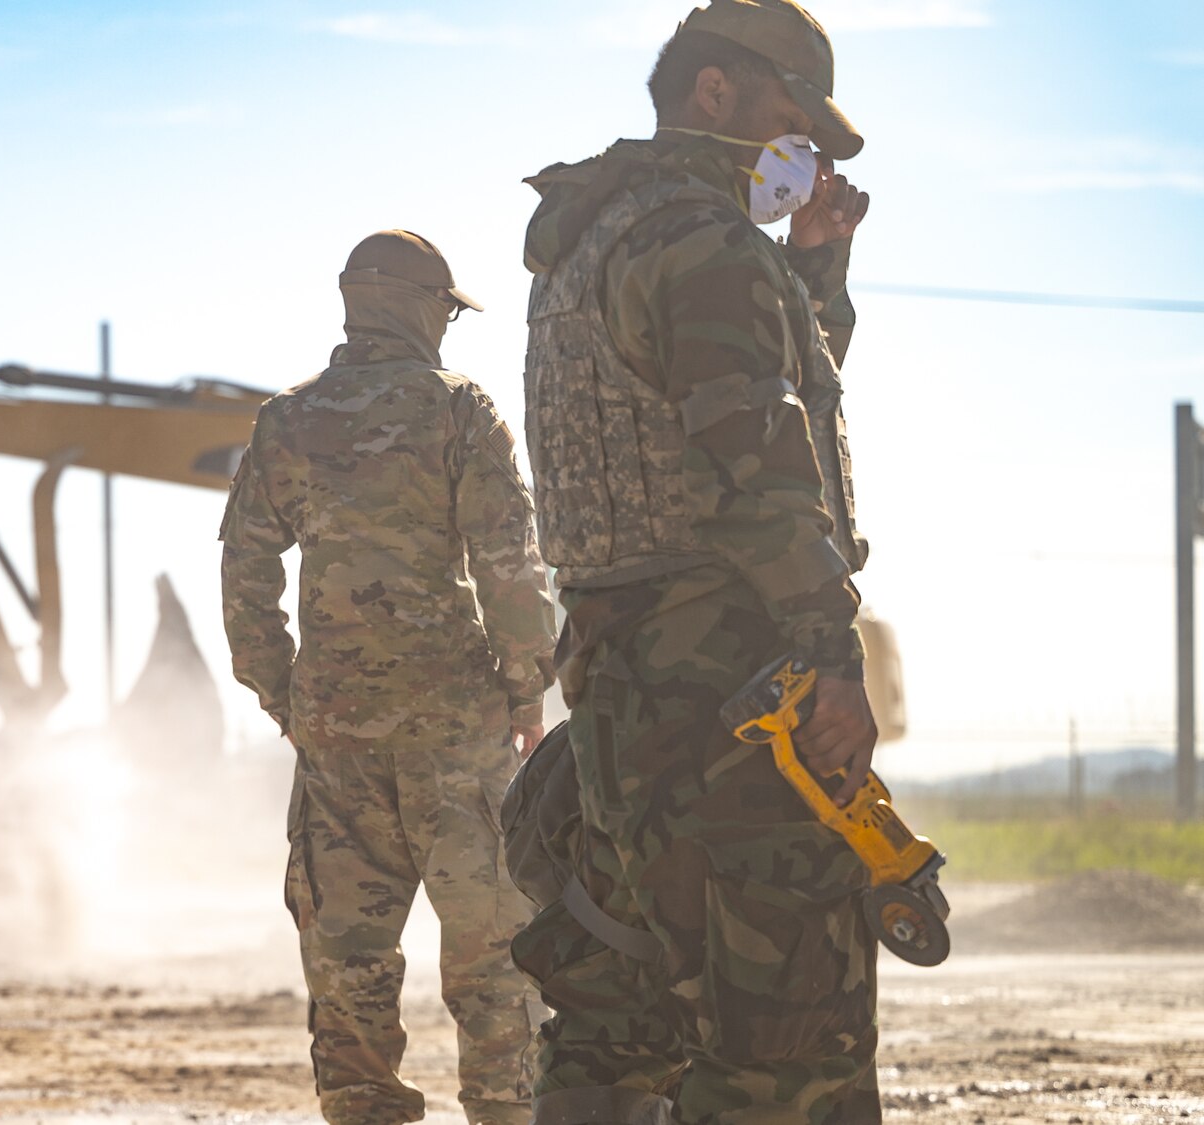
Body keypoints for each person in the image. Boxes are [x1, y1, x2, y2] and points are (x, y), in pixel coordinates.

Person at [515, 1, 879, 1120]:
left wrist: (812, 272)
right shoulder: (704, 244)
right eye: (787, 118)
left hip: (619, 692)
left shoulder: (594, 235)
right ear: (711, 94)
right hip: (727, 692)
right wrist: (830, 651)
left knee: (622, 1022)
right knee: (786, 1037)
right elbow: (753, 470)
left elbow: (712, 404)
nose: (801, 154)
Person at [220, 230, 557, 1125]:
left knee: (348, 967)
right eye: (446, 311)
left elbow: (244, 571)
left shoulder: (286, 420)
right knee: (496, 960)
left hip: (337, 742)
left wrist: (285, 697)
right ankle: (506, 1112)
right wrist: (528, 691)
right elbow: (509, 565)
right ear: (420, 309)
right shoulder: (458, 410)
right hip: (459, 736)